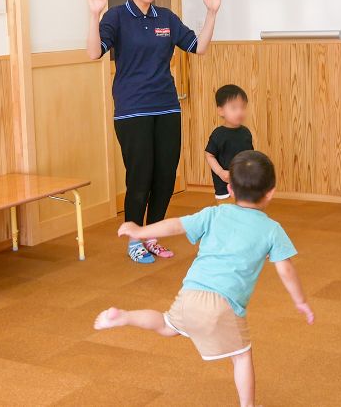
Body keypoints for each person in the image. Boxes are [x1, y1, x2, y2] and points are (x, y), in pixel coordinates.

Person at [94, 150, 313, 407]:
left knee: (166, 326)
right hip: (223, 304)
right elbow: (285, 270)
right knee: (241, 357)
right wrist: (300, 301)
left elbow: (175, 225)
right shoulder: (272, 230)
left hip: (190, 293)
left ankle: (124, 316)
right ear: (271, 192)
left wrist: (141, 230)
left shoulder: (214, 213)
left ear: (230, 189)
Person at [87, 0, 222, 264]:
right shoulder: (117, 17)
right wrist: (94, 16)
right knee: (140, 176)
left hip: (166, 107)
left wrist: (211, 12)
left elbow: (198, 47)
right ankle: (134, 237)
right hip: (132, 110)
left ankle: (151, 235)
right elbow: (94, 52)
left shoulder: (166, 18)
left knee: (164, 176)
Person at [205, 84, 254, 200]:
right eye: (234, 108)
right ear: (221, 111)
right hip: (224, 184)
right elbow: (209, 155)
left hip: (244, 182)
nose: (240, 112)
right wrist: (221, 172)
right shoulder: (218, 134)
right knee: (226, 211)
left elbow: (250, 156)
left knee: (244, 210)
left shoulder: (246, 132)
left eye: (243, 107)